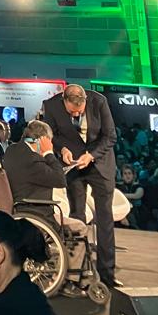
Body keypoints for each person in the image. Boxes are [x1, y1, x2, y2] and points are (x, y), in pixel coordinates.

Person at [40, 83, 118, 287]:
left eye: (79, 112)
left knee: (105, 219)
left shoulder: (99, 102)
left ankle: (107, 274)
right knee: (77, 217)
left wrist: (91, 155)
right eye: (71, 112)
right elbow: (50, 136)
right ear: (63, 101)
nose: (75, 115)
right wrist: (62, 149)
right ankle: (77, 272)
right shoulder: (51, 106)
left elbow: (110, 136)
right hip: (73, 164)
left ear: (85, 101)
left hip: (99, 163)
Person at [2, 119, 65, 205]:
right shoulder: (32, 160)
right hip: (34, 207)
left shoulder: (11, 149)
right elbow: (60, 180)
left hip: (18, 201)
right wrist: (48, 153)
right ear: (42, 141)